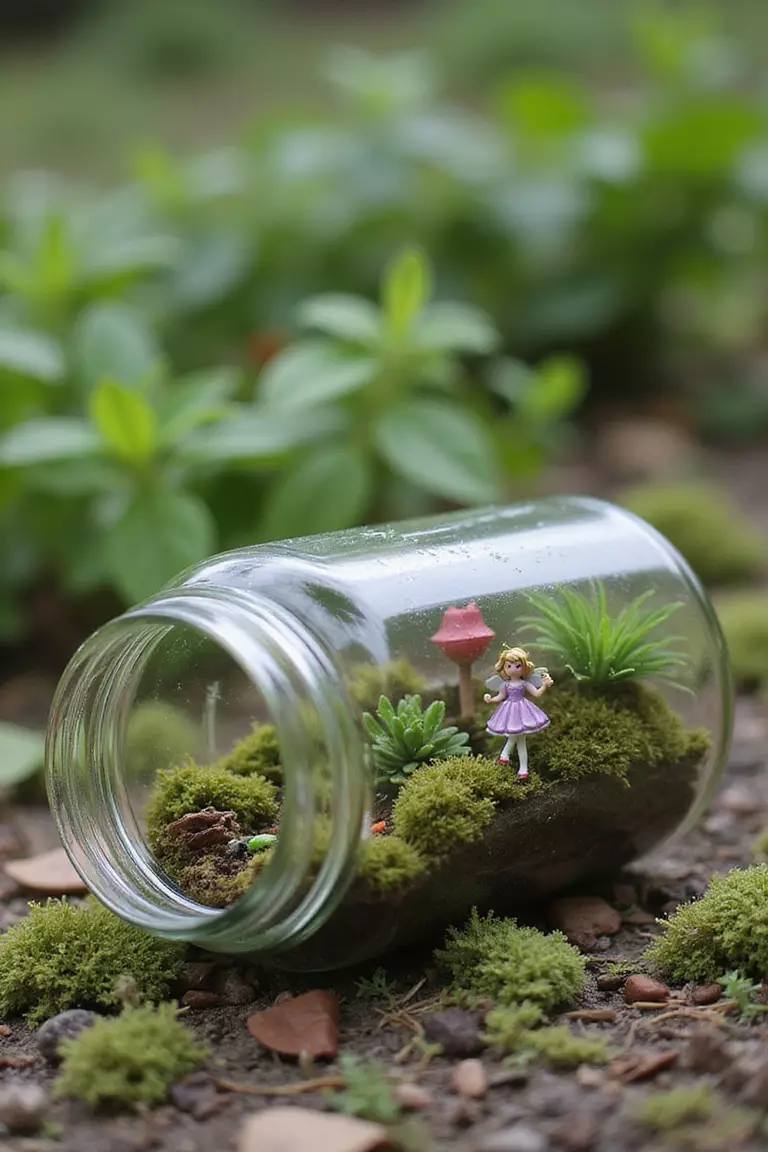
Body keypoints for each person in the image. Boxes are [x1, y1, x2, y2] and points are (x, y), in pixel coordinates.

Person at [483, 646, 553, 778]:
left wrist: (544, 685)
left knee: (520, 740)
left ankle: (509, 758)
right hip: (509, 711)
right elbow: (500, 697)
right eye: (508, 666)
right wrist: (490, 699)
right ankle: (521, 768)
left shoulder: (524, 683)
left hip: (523, 710)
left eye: (517, 666)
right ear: (503, 667)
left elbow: (537, 694)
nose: (513, 669)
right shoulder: (505, 685)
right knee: (519, 740)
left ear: (524, 667)